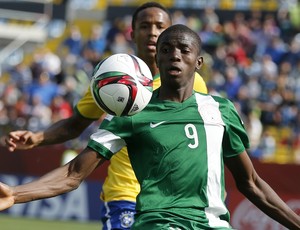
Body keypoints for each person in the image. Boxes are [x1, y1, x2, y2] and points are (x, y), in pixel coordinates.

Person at [1, 24, 299, 229]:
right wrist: (16, 194)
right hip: (160, 223)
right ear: (157, 57)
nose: (174, 54)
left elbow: (252, 183)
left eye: (184, 49)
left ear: (199, 61)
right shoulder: (132, 114)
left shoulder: (221, 110)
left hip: (214, 224)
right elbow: (73, 173)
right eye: (167, 49)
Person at [2, 2, 207, 229]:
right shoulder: (112, 79)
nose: (152, 32)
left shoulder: (194, 83)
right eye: (145, 26)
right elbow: (74, 125)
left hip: (174, 201)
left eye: (160, 26)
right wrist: (38, 138)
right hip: (125, 197)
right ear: (132, 32)